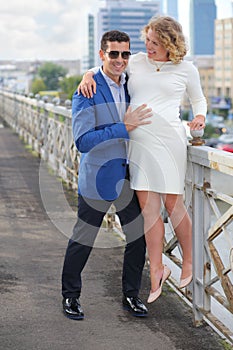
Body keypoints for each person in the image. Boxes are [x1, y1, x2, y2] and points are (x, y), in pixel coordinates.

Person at [78, 16, 207, 304]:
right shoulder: (135, 61)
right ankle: (157, 270)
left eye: (155, 43)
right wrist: (87, 76)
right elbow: (105, 64)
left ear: (169, 44)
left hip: (171, 140)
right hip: (139, 141)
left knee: (174, 204)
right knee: (150, 210)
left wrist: (200, 117)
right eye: (147, 40)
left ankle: (188, 261)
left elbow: (199, 100)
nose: (148, 47)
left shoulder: (186, 68)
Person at [61, 30, 153, 320]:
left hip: (127, 175)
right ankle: (70, 297)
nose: (120, 59)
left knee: (137, 237)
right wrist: (124, 126)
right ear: (102, 54)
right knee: (83, 239)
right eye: (113, 54)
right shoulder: (86, 91)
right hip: (98, 176)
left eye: (125, 54)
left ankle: (130, 295)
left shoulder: (131, 83)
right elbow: (83, 141)